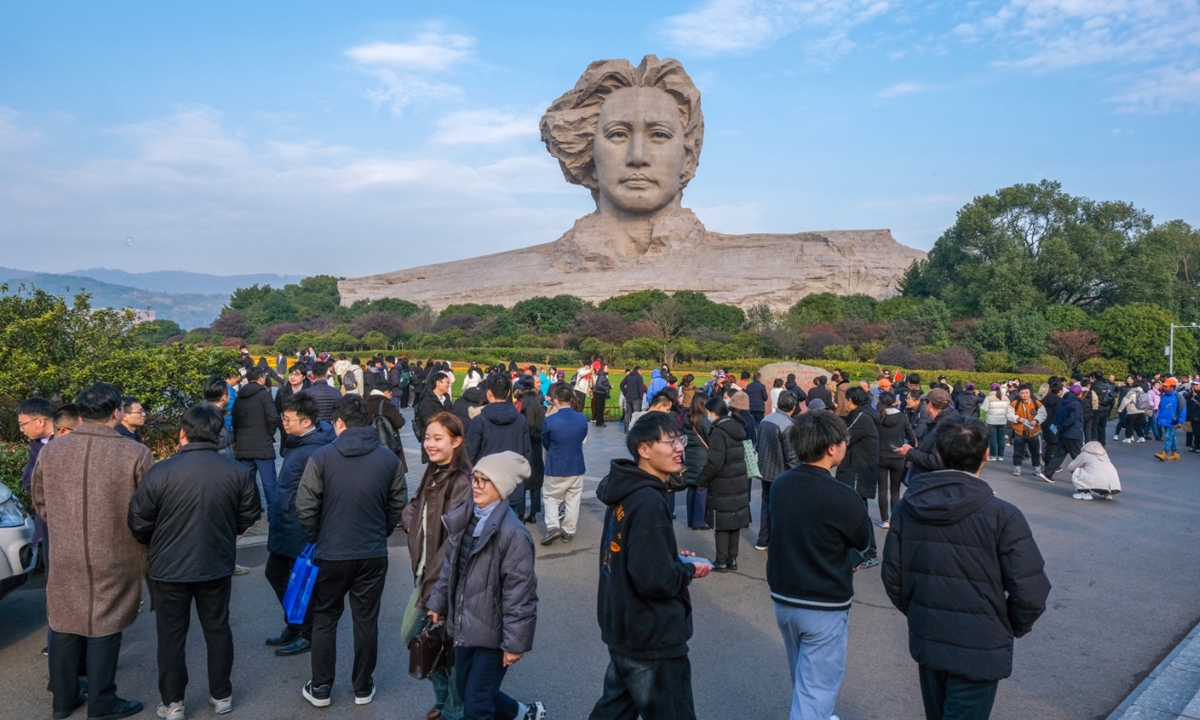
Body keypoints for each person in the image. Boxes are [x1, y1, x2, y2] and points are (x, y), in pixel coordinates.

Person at [882, 415, 1051, 720]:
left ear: (938, 456)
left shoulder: (908, 507)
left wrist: (921, 611)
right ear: (986, 455)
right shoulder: (1004, 515)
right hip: (981, 643)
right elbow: (1031, 592)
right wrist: (1007, 624)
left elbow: (893, 577)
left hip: (929, 635)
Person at [127, 405, 261, 720]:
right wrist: (227, 532)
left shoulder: (160, 472)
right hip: (216, 563)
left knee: (171, 636)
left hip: (168, 568)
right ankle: (221, 694)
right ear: (219, 435)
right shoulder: (238, 472)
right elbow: (250, 514)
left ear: (182, 433)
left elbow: (138, 521)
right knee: (217, 629)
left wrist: (156, 540)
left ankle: (173, 702)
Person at [32, 383, 154, 720]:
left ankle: (64, 700)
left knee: (64, 620)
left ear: (81, 414)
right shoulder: (134, 453)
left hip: (65, 551)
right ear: (116, 412)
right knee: (106, 621)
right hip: (117, 549)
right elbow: (148, 508)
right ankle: (102, 701)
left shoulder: (52, 450)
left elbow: (39, 499)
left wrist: (63, 527)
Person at [590, 413, 712, 720]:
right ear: (644, 449)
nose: (679, 448)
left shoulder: (626, 491)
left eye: (680, 440)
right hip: (650, 635)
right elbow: (655, 580)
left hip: (624, 627)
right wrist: (685, 570)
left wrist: (670, 556)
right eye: (670, 441)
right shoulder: (647, 500)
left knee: (614, 710)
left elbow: (628, 554)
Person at [296, 395, 407, 708]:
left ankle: (321, 687)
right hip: (372, 552)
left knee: (324, 618)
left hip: (331, 551)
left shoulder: (321, 457)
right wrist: (381, 531)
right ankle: (362, 686)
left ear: (338, 423)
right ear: (369, 423)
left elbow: (305, 506)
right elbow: (397, 503)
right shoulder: (388, 459)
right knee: (365, 619)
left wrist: (316, 535)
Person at [768, 410, 871, 720]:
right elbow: (863, 542)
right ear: (831, 448)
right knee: (818, 686)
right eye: (844, 441)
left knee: (803, 673)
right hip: (823, 602)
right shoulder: (842, 495)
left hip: (784, 596)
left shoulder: (782, 484)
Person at [427, 452, 545, 720]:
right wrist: (438, 602)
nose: (476, 485)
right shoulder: (466, 517)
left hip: (494, 633)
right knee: (470, 691)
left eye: (485, 481)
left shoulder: (513, 534)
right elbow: (450, 568)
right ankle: (522, 713)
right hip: (465, 625)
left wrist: (514, 644)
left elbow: (520, 595)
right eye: (475, 478)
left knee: (477, 705)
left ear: (501, 487)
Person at [401, 412, 473, 720]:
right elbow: (414, 507)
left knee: (437, 643)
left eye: (437, 438)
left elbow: (453, 543)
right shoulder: (433, 471)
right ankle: (446, 700)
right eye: (427, 437)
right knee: (426, 641)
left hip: (444, 578)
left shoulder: (462, 481)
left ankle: (456, 709)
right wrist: (411, 524)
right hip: (425, 572)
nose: (429, 443)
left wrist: (438, 594)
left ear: (456, 442)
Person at [262, 393, 336, 657]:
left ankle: (307, 632)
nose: (284, 422)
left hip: (299, 527)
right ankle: (295, 624)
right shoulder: (301, 443)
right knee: (276, 574)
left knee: (300, 582)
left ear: (306, 422)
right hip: (286, 523)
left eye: (288, 418)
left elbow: (314, 495)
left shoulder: (314, 450)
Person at [696, 396, 750, 572]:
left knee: (721, 523)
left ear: (714, 413)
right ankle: (732, 559)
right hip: (738, 479)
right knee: (734, 520)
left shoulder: (719, 431)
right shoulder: (737, 426)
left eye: (708, 413)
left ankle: (721, 561)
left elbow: (715, 462)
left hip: (723, 482)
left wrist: (702, 479)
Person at [466, 374, 533, 516]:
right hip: (512, 483)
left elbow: (469, 456)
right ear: (509, 393)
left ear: (489, 394)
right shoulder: (520, 420)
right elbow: (527, 454)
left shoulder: (479, 421)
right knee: (511, 531)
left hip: (486, 486)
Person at [837, 387, 880, 568]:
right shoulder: (861, 414)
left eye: (845, 399)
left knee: (859, 512)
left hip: (857, 470)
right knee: (854, 510)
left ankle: (870, 553)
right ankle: (859, 549)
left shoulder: (862, 417)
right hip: (856, 468)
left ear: (851, 400)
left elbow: (842, 437)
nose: (842, 403)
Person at [540, 385, 589, 546]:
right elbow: (582, 436)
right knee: (573, 500)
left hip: (556, 465)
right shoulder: (582, 419)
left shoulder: (550, 420)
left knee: (551, 497)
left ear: (555, 401)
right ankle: (568, 531)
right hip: (576, 465)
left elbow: (545, 440)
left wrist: (554, 450)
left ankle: (553, 526)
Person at [755, 390, 800, 550]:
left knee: (766, 505)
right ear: (793, 407)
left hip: (765, 470)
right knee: (782, 509)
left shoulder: (765, 420)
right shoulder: (788, 425)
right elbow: (791, 455)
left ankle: (763, 539)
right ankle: (778, 542)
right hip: (782, 473)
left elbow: (758, 446)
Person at [232, 366, 280, 508]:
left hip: (243, 445)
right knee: (269, 482)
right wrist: (269, 433)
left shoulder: (239, 396)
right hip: (262, 444)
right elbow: (272, 418)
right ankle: (273, 513)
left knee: (248, 482)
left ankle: (251, 512)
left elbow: (235, 420)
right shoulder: (264, 395)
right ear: (261, 378)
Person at [876, 391, 916, 530]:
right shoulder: (902, 417)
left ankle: (884, 520)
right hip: (898, 456)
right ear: (894, 402)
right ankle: (894, 520)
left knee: (882, 489)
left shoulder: (878, 416)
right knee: (895, 490)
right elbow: (912, 437)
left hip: (880, 455)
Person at [898, 388, 956, 477]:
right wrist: (913, 450)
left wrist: (910, 453)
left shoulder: (944, 426)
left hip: (935, 481)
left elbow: (937, 461)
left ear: (930, 405)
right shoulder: (946, 419)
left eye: (925, 403)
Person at [366, 381, 409, 478]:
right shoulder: (386, 404)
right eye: (390, 394)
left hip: (368, 444)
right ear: (386, 392)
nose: (391, 396)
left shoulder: (364, 402)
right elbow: (400, 422)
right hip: (387, 445)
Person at [1043, 383, 1086, 482]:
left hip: (1063, 434)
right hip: (1074, 434)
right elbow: (1073, 419)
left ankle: (1047, 473)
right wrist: (1062, 427)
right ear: (1079, 394)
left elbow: (1057, 416)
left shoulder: (1062, 402)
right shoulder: (1076, 404)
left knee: (1059, 454)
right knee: (1078, 457)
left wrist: (1058, 428)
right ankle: (1083, 478)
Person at [682, 392, 712, 531]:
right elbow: (710, 439)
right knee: (702, 488)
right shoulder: (704, 420)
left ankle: (691, 519)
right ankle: (699, 520)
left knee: (691, 488)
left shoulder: (687, 418)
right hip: (702, 457)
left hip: (690, 456)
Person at [1155, 377, 1187, 461]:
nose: (1164, 387)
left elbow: (1183, 409)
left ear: (1172, 387)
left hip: (1173, 421)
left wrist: (1181, 421)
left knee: (1168, 437)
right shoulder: (1163, 396)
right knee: (1171, 437)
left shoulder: (1178, 397)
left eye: (1167, 386)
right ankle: (1175, 453)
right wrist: (1158, 418)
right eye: (1164, 386)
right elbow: (1161, 409)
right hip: (1164, 420)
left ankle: (1164, 452)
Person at [983, 384, 1008, 462]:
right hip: (1003, 420)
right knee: (1001, 438)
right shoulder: (1005, 398)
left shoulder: (989, 398)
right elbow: (1009, 409)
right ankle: (1001, 456)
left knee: (993, 438)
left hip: (991, 420)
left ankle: (993, 455)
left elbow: (984, 408)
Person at [619, 367, 646, 433]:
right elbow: (640, 388)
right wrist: (641, 397)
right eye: (641, 371)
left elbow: (621, 385)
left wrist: (625, 393)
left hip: (628, 397)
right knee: (636, 414)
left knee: (628, 414)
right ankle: (635, 430)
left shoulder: (628, 376)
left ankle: (626, 429)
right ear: (639, 370)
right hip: (636, 398)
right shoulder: (639, 377)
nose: (641, 373)